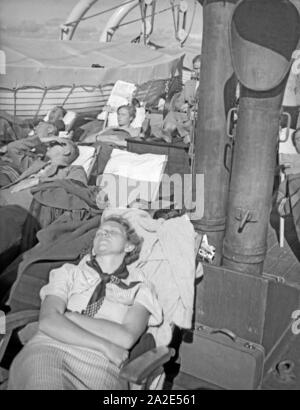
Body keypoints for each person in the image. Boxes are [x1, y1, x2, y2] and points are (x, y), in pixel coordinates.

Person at [8, 215, 162, 390]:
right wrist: (106, 345)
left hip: (101, 364)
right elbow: (48, 321)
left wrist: (70, 317)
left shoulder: (140, 288)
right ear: (94, 249)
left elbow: (126, 337)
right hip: (52, 347)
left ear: (129, 246)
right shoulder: (68, 273)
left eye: (112, 232)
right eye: (100, 233)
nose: (104, 234)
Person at [0, 138, 86, 207]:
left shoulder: (74, 169)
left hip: (17, 208)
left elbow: (76, 188)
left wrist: (38, 181)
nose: (48, 146)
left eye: (53, 144)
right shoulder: (35, 165)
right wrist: (43, 139)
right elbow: (13, 148)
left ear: (66, 151)